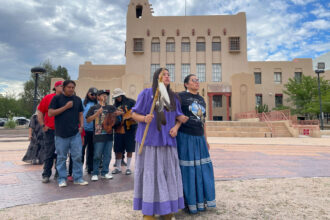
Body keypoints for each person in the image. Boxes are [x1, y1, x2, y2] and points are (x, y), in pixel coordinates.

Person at [132, 68, 188, 220]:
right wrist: (144, 119)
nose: (167, 77)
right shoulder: (145, 93)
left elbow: (177, 117)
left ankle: (166, 210)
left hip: (167, 142)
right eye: (164, 75)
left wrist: (177, 126)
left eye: (169, 75)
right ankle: (148, 212)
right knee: (151, 175)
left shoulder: (174, 97)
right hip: (149, 141)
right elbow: (133, 113)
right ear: (157, 78)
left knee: (167, 176)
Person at [176, 74, 216, 214]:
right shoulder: (180, 96)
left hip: (199, 138)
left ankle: (201, 201)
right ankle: (188, 202)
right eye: (194, 80)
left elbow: (203, 121)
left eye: (198, 80)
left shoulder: (201, 99)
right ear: (186, 84)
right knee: (188, 170)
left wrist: (206, 139)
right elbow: (174, 114)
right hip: (185, 137)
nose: (197, 82)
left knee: (202, 169)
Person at [48, 80, 88, 187]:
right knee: (61, 157)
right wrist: (65, 107)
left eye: (73, 87)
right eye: (69, 87)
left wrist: (82, 126)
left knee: (77, 156)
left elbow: (80, 114)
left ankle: (78, 178)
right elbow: (50, 113)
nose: (71, 89)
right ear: (64, 87)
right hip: (60, 134)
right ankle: (62, 179)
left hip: (75, 134)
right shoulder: (57, 98)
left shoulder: (77, 99)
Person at [86, 90, 118, 181]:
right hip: (98, 135)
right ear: (98, 97)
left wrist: (118, 114)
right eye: (103, 95)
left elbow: (117, 115)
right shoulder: (93, 108)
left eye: (106, 95)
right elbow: (88, 120)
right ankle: (95, 173)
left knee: (107, 155)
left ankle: (105, 172)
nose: (105, 97)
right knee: (97, 155)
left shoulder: (111, 107)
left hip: (108, 134)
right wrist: (97, 113)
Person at [37, 80, 63, 183]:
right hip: (50, 130)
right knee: (49, 153)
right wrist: (43, 125)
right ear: (55, 87)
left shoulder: (66, 99)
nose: (63, 87)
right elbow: (40, 111)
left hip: (62, 131)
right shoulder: (48, 98)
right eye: (61, 86)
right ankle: (46, 174)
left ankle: (59, 173)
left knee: (61, 153)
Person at [112, 88, 137, 175]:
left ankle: (128, 168)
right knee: (118, 149)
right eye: (116, 97)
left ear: (122, 95)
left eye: (118, 96)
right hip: (118, 129)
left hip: (130, 129)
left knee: (129, 148)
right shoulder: (115, 104)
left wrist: (123, 114)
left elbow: (136, 112)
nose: (117, 98)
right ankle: (118, 167)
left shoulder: (131, 102)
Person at [82, 87, 98, 174]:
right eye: (92, 94)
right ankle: (79, 168)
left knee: (91, 151)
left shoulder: (98, 103)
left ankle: (90, 168)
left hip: (94, 131)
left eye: (95, 95)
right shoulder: (82, 102)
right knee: (81, 150)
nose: (93, 96)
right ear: (88, 93)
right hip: (84, 130)